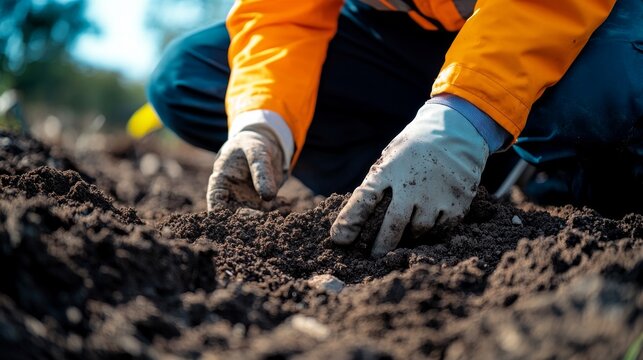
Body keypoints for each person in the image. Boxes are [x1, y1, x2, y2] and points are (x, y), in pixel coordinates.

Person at [147, 0, 643, 257]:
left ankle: (548, 167)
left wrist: (471, 109)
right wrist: (264, 121)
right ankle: (429, 182)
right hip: (404, 40)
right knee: (190, 77)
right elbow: (282, 16)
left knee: (609, 90)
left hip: (552, 22)